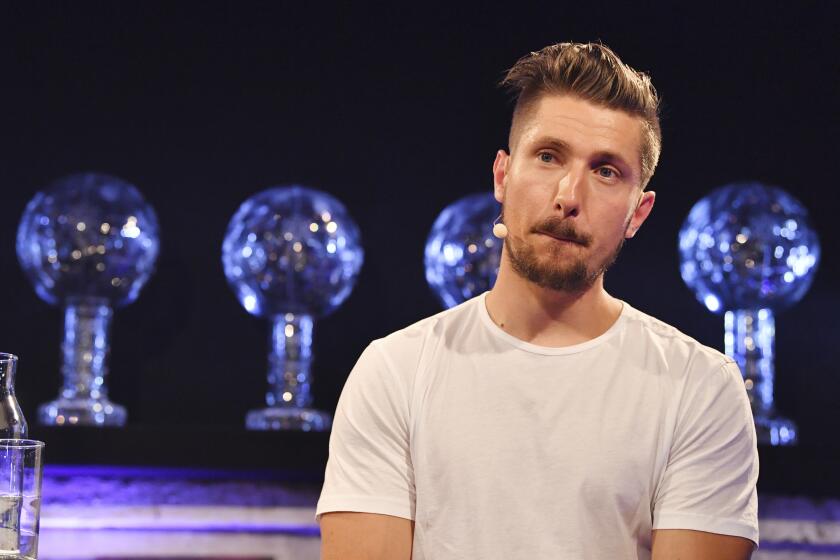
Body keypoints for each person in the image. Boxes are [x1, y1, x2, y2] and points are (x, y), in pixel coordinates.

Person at [316, 42, 759, 559]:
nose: (570, 195)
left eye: (606, 171)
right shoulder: (394, 372)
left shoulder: (700, 389)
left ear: (638, 214)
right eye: (549, 156)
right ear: (503, 176)